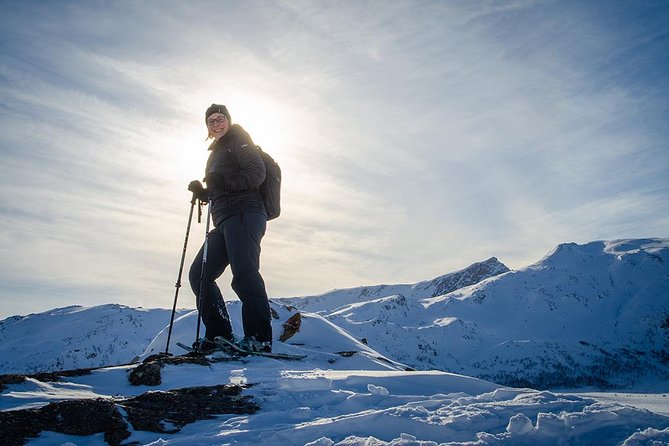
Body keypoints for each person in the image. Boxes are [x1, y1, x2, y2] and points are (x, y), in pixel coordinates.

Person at [187, 104, 272, 353]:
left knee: (245, 273)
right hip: (224, 219)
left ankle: (259, 338)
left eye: (220, 119)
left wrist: (220, 182)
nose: (216, 124)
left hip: (246, 214)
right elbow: (221, 186)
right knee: (199, 275)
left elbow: (256, 174)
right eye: (210, 121)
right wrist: (204, 192)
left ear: (228, 120)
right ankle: (219, 334)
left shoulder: (239, 139)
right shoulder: (216, 151)